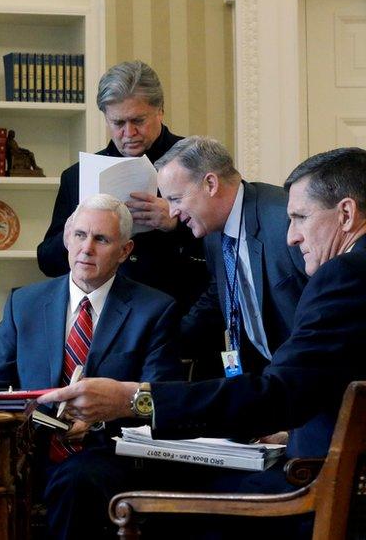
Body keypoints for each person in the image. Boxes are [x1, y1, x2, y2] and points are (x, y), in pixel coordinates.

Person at [39, 147, 366, 535]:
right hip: (307, 444)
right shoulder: (217, 239)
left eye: (299, 218)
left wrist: (134, 399)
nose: (292, 235)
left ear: (345, 214)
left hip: (321, 484)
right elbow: (325, 374)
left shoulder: (343, 272)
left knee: (138, 505)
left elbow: (281, 390)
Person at [0, 194, 183, 539]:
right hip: (31, 450)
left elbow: (161, 399)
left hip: (108, 453)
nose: (87, 248)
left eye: (101, 239)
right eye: (80, 235)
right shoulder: (24, 303)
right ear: (66, 239)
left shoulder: (155, 309)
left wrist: (100, 415)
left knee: (74, 480)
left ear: (125, 250)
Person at [36, 61, 210, 320]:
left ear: (160, 111)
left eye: (138, 120)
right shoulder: (77, 176)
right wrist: (75, 234)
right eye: (118, 122)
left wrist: (177, 224)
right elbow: (47, 263)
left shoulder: (199, 161)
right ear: (105, 117)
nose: (129, 133)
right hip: (103, 324)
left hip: (182, 317)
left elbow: (231, 248)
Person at [157, 136, 308, 379]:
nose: (172, 211)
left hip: (315, 378)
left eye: (175, 199)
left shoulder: (284, 219)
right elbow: (219, 295)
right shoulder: (213, 230)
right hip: (266, 377)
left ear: (210, 184)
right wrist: (160, 342)